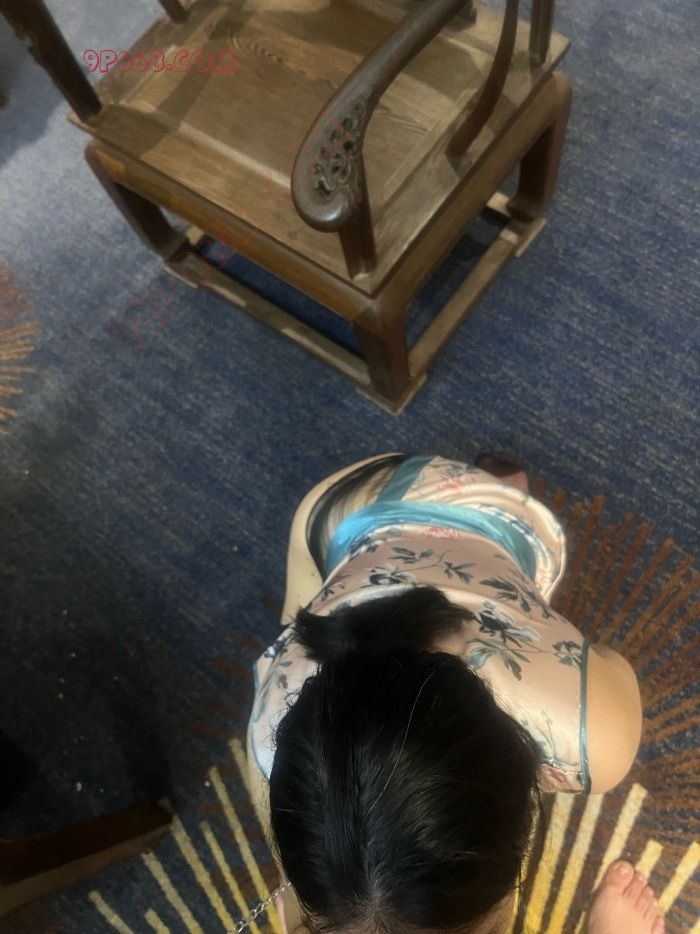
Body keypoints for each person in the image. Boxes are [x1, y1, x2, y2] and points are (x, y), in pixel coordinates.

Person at [245, 454, 664, 934]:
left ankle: (498, 490)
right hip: (330, 519)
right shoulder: (267, 748)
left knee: (505, 511)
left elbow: (611, 666)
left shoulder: (591, 738)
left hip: (414, 505)